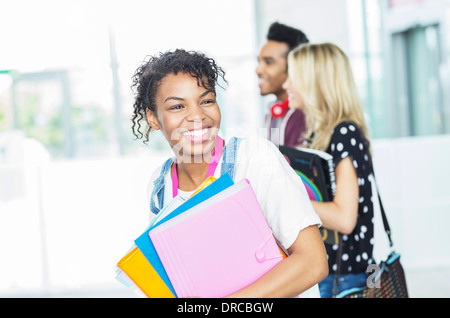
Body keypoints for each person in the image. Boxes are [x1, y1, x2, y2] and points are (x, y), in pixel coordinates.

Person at [131, 49, 328, 298]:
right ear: (153, 118)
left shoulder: (255, 160)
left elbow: (313, 263)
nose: (197, 116)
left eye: (206, 101)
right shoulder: (160, 188)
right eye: (177, 106)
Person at [283, 42, 376, 298]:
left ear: (314, 82)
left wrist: (283, 198)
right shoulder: (319, 134)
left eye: (293, 76)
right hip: (330, 275)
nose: (286, 85)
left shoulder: (344, 133)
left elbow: (344, 219)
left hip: (344, 279)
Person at [256, 22, 308, 147]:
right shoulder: (274, 111)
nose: (258, 70)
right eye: (259, 61)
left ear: (294, 67)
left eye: (268, 62)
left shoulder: (301, 116)